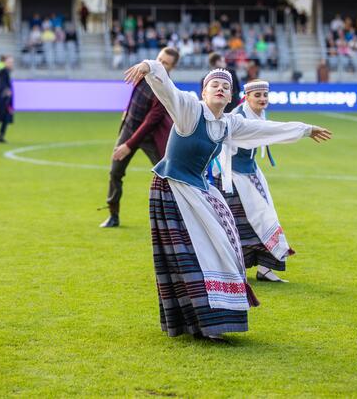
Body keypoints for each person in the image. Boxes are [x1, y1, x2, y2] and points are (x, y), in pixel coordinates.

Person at [123, 61, 332, 342]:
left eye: (226, 87)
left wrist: (305, 129)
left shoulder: (228, 123)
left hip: (199, 189)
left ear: (232, 97)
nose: (220, 89)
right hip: (173, 189)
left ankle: (213, 318)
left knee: (224, 246)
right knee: (195, 253)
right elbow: (167, 89)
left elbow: (265, 130)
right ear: (204, 92)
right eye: (214, 85)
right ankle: (205, 322)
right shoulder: (189, 110)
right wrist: (151, 66)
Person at [214, 80, 296, 283]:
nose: (262, 99)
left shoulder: (256, 114)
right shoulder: (238, 118)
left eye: (265, 95)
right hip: (232, 177)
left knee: (266, 218)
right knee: (237, 226)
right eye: (257, 95)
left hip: (251, 174)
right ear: (247, 96)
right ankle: (232, 272)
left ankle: (265, 269)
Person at [99, 47, 180, 228]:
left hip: (150, 136)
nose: (160, 63)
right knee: (115, 172)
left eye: (165, 63)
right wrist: (126, 114)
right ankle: (113, 215)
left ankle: (178, 217)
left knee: (168, 175)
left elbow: (151, 121)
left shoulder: (166, 89)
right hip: (129, 129)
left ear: (172, 68)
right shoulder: (144, 74)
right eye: (159, 59)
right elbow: (135, 97)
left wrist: (129, 144)